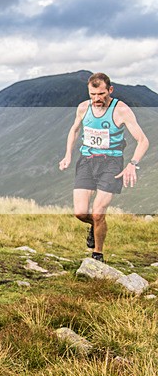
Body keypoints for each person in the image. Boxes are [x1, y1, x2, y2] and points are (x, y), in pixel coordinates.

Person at [59, 72, 149, 262]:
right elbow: (74, 130)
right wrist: (68, 154)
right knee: (81, 212)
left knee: (99, 212)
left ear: (110, 90)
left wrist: (133, 164)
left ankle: (97, 254)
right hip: (86, 161)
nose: (97, 99)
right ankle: (95, 225)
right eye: (92, 94)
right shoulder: (83, 108)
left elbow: (143, 140)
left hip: (112, 163)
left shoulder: (121, 110)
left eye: (101, 94)